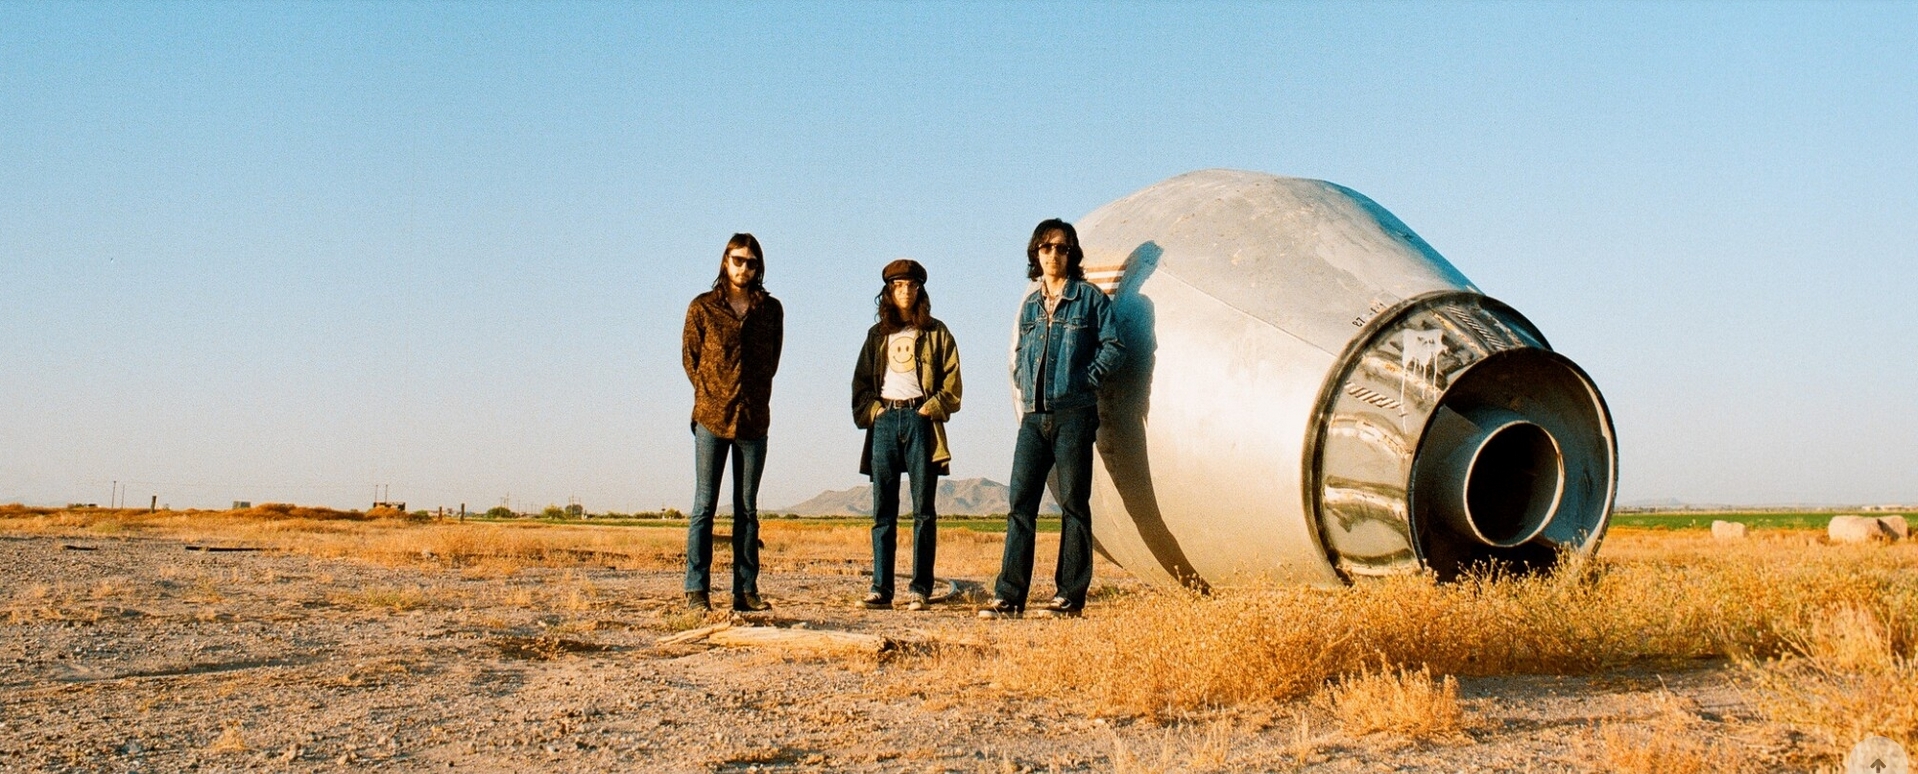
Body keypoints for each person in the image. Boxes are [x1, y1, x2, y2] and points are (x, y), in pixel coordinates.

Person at [981, 219, 1125, 619]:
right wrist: (1024, 384)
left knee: (1074, 504)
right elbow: (1018, 353)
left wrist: (1086, 379)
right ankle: (1009, 596)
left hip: (1073, 413)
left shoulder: (1089, 299)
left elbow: (1114, 345)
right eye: (1046, 248)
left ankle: (1069, 596)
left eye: (1061, 248)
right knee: (1020, 504)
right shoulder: (1030, 304)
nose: (1053, 255)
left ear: (1071, 253)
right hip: (1034, 416)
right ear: (1036, 254)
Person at [850, 259, 963, 611]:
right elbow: (860, 384)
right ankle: (881, 589)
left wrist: (931, 408)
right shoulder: (877, 335)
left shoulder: (936, 332)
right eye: (898, 285)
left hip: (920, 420)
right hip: (885, 420)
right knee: (883, 510)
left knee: (923, 511)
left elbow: (953, 382)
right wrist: (875, 412)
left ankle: (920, 588)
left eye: (911, 285)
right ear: (888, 291)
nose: (905, 291)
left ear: (920, 290)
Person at [680, 233, 782, 613]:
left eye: (751, 263)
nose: (744, 268)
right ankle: (696, 591)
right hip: (711, 417)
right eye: (738, 260)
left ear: (759, 268)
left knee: (747, 509)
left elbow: (772, 362)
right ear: (726, 261)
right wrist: (713, 392)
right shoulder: (702, 307)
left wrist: (752, 393)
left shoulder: (771, 311)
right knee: (704, 505)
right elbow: (690, 359)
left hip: (753, 420)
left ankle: (745, 592)